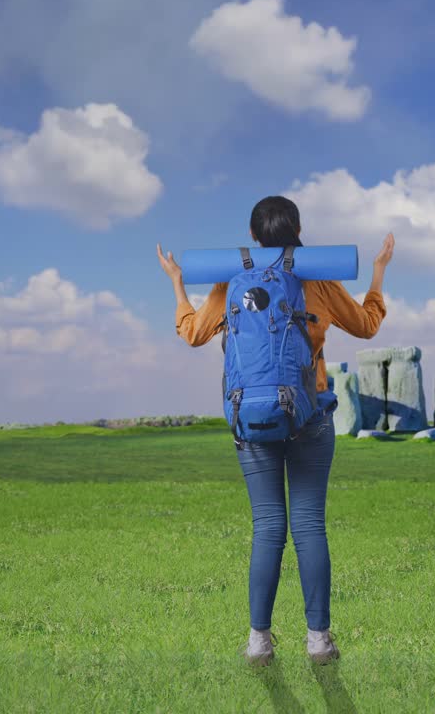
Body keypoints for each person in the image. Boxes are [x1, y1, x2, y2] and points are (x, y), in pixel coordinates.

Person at [156, 195, 394, 666]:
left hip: (252, 419)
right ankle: (319, 639)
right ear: (298, 231)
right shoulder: (317, 278)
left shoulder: (232, 279)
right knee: (309, 527)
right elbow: (367, 326)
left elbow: (194, 334)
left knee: (267, 529)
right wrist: (380, 271)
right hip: (310, 418)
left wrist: (178, 284)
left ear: (253, 237)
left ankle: (259, 641)